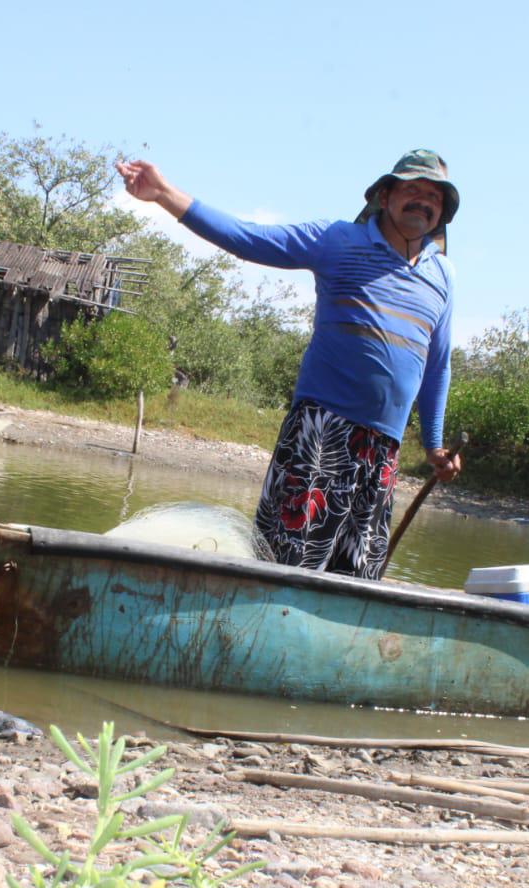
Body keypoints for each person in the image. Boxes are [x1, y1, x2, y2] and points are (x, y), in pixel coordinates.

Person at [116, 150, 463, 579]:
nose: (422, 201)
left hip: (382, 452)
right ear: (386, 196)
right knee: (285, 565)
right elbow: (248, 239)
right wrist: (164, 194)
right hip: (321, 432)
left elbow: (437, 366)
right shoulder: (338, 241)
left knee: (358, 578)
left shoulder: (441, 277)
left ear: (441, 213)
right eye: (412, 189)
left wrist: (433, 445)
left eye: (433, 196)